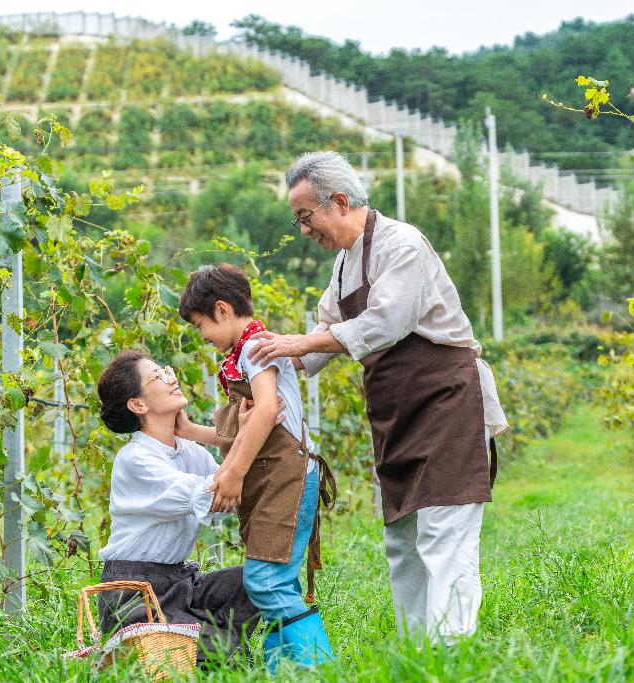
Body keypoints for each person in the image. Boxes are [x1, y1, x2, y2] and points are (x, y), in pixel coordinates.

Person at [248, 151, 509, 643]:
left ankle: (451, 656)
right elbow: (325, 331)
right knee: (403, 539)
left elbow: (387, 322)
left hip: (444, 400)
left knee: (444, 532)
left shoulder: (402, 244)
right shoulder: (347, 263)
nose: (304, 230)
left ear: (340, 202)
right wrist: (266, 365)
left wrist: (302, 344)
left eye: (306, 218)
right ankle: (418, 653)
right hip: (398, 413)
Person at [177, 263, 336, 671]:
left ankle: (318, 671)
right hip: (278, 476)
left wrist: (232, 473)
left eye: (200, 325)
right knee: (276, 580)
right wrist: (192, 430)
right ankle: (285, 670)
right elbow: (245, 426)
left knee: (264, 580)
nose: (202, 336)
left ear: (222, 310)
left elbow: (265, 412)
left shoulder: (252, 348)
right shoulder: (244, 351)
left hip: (288, 475)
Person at [95, 349, 276, 666]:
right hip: (134, 594)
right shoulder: (135, 460)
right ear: (138, 405)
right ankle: (216, 652)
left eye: (166, 369)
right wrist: (248, 431)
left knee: (258, 579)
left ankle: (212, 649)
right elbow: (216, 490)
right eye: (157, 376)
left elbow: (236, 491)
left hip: (178, 582)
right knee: (208, 648)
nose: (171, 377)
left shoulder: (189, 452)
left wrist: (198, 433)